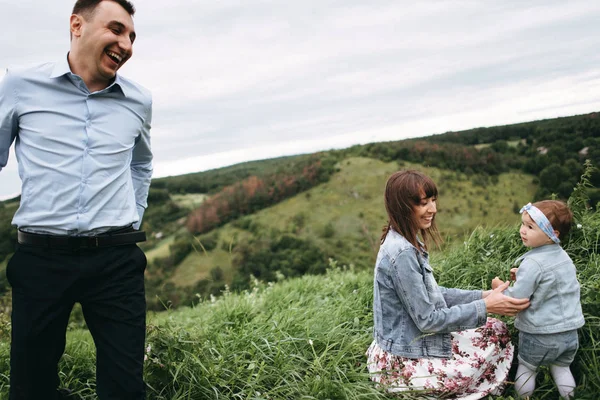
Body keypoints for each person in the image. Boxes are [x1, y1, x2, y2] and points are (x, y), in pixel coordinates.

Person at [0, 0, 152, 398]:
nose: (127, 44)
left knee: (125, 389)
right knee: (31, 389)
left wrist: (131, 218)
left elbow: (141, 166)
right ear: (77, 25)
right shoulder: (19, 86)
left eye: (132, 36)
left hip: (116, 262)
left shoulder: (139, 101)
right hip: (41, 260)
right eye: (117, 29)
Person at [366, 169, 530, 399]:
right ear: (402, 207)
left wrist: (483, 296)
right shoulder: (402, 252)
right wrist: (487, 307)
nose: (433, 209)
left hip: (404, 341)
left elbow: (432, 294)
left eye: (433, 200)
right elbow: (427, 320)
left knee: (496, 330)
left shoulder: (404, 238)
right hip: (403, 359)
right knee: (493, 338)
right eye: (423, 203)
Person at [491, 200, 585, 399]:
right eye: (523, 224)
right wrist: (525, 276)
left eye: (531, 227)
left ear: (553, 234)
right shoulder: (564, 258)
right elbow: (551, 285)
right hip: (569, 333)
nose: (522, 230)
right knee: (561, 369)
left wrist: (499, 288)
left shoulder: (532, 262)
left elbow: (517, 299)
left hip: (540, 334)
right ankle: (571, 397)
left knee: (527, 370)